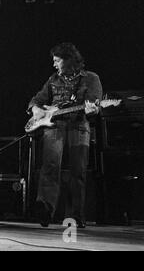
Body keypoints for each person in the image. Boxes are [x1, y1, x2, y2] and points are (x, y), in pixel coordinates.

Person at [28, 43, 103, 228]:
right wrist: (37, 110)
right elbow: (36, 100)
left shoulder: (91, 78)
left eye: (57, 60)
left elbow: (94, 106)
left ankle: (76, 217)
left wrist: (93, 109)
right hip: (54, 126)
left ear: (69, 60)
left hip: (78, 125)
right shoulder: (53, 79)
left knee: (78, 171)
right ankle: (45, 210)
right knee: (50, 167)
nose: (54, 64)